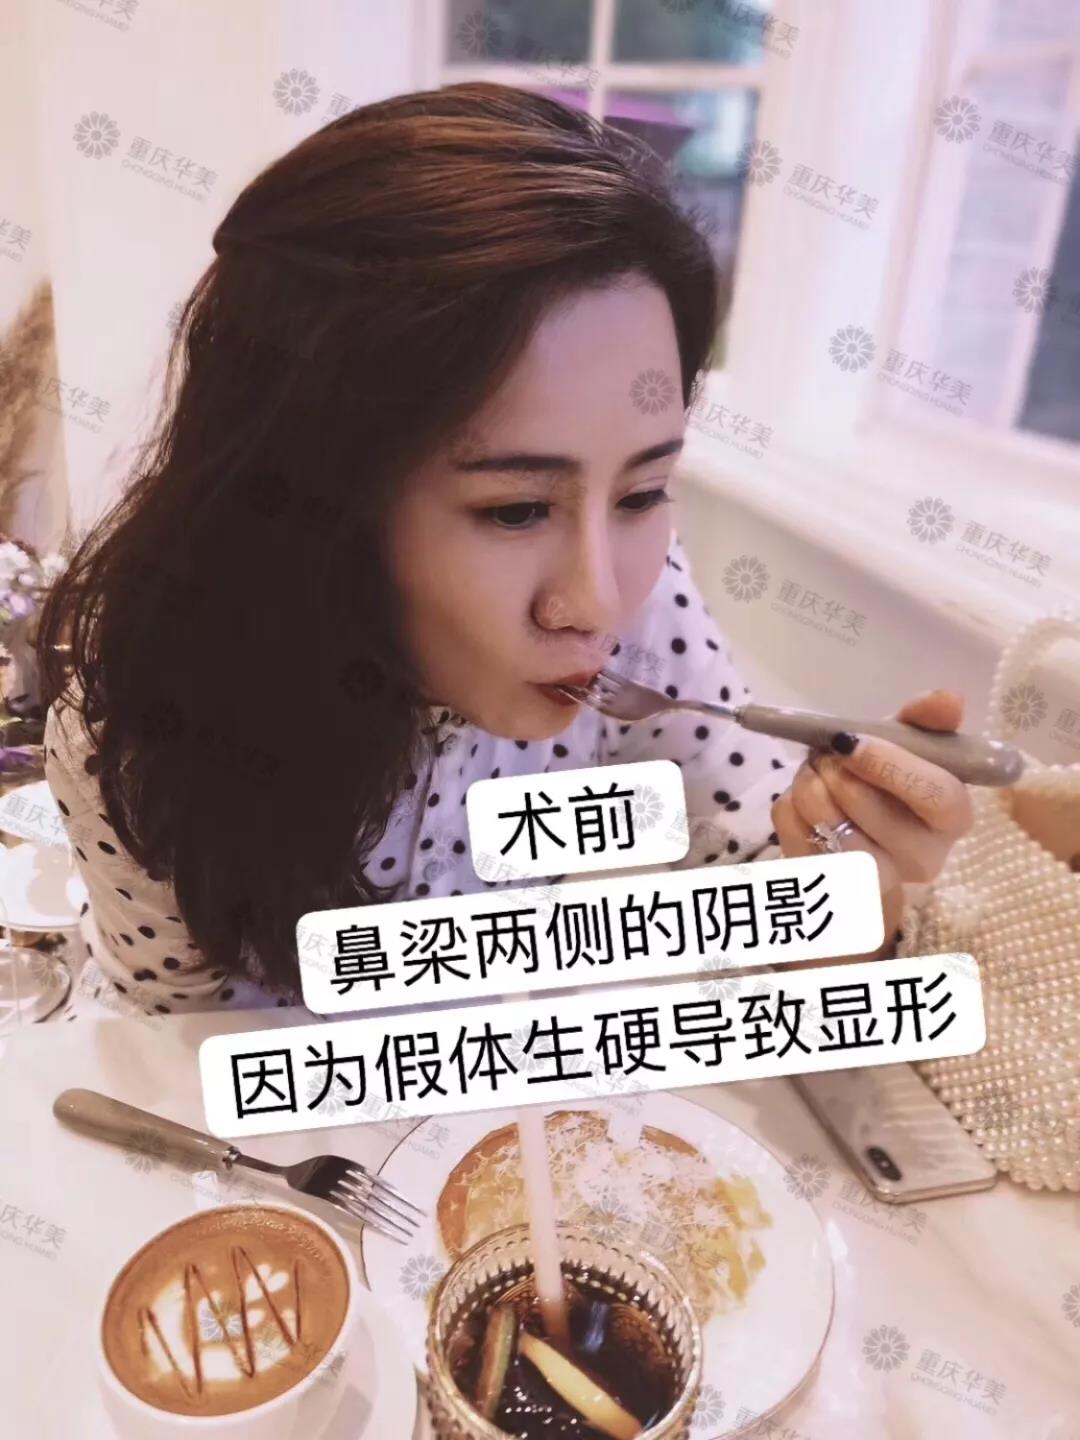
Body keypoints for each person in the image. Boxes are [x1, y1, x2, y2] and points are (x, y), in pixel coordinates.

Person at [37, 83, 972, 1020]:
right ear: (310, 500)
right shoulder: (141, 725)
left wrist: (851, 885)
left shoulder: (649, 608)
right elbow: (180, 1046)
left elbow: (759, 870)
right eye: (517, 510)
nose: (598, 603)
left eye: (641, 494)